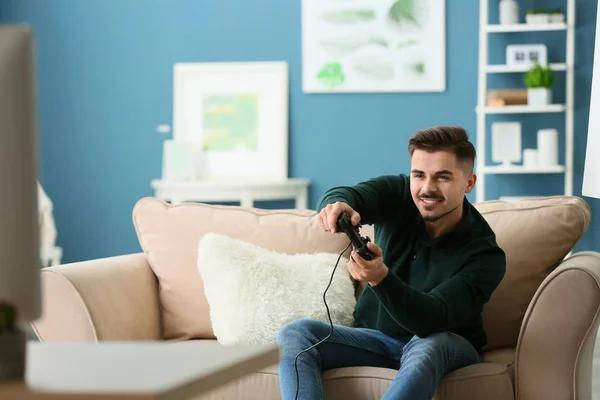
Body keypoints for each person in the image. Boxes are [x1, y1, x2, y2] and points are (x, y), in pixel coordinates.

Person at [276, 126, 507, 400]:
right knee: (296, 333)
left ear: (469, 183)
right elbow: (347, 194)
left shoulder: (485, 254)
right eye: (418, 175)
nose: (427, 188)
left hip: (446, 344)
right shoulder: (398, 193)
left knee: (431, 344)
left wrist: (380, 278)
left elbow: (430, 319)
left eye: (442, 177)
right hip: (377, 340)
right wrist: (337, 205)